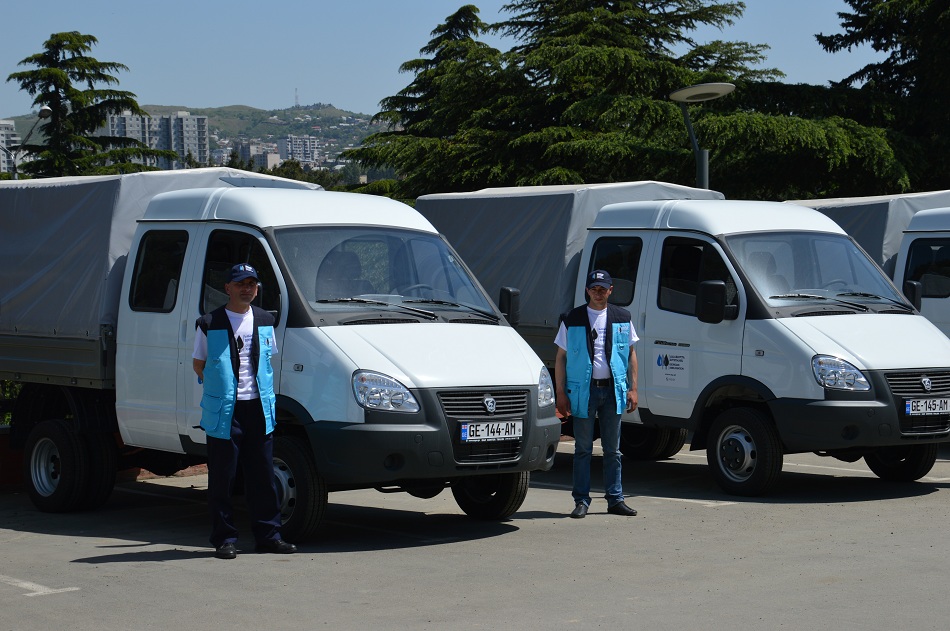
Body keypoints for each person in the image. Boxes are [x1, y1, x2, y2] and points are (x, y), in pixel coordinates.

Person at [193, 263, 296, 559]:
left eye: (251, 284)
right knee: (223, 479)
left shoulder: (265, 319)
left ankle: (269, 537)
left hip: (259, 409)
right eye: (240, 284)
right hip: (225, 410)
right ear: (228, 288)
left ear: (257, 288)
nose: (246, 289)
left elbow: (266, 361)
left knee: (263, 477)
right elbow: (199, 364)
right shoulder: (209, 322)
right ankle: (224, 539)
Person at [554, 269, 639, 518]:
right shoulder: (572, 318)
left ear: (611, 290)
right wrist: (560, 392)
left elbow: (631, 354)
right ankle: (581, 500)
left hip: (613, 390)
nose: (598, 293)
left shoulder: (622, 317)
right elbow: (560, 358)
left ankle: (615, 499)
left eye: (603, 289)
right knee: (583, 449)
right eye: (594, 289)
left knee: (613, 450)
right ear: (587, 291)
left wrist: (634, 389)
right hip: (584, 391)